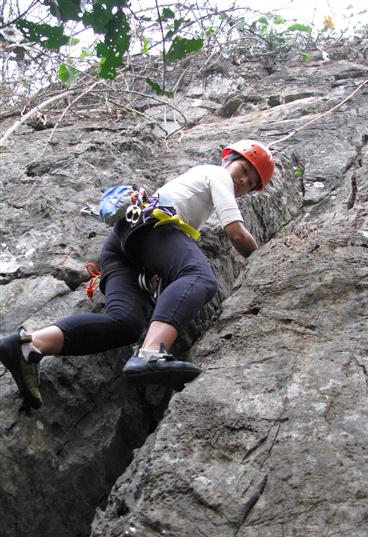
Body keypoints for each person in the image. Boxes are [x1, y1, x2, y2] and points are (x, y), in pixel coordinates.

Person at [0, 140, 275, 409]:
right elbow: (236, 233)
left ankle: (28, 346)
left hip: (122, 243)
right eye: (244, 170)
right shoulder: (217, 174)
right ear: (228, 160)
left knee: (126, 322)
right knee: (199, 277)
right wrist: (269, 257)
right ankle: (152, 352)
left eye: (251, 183)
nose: (243, 182)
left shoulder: (197, 186)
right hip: (150, 226)